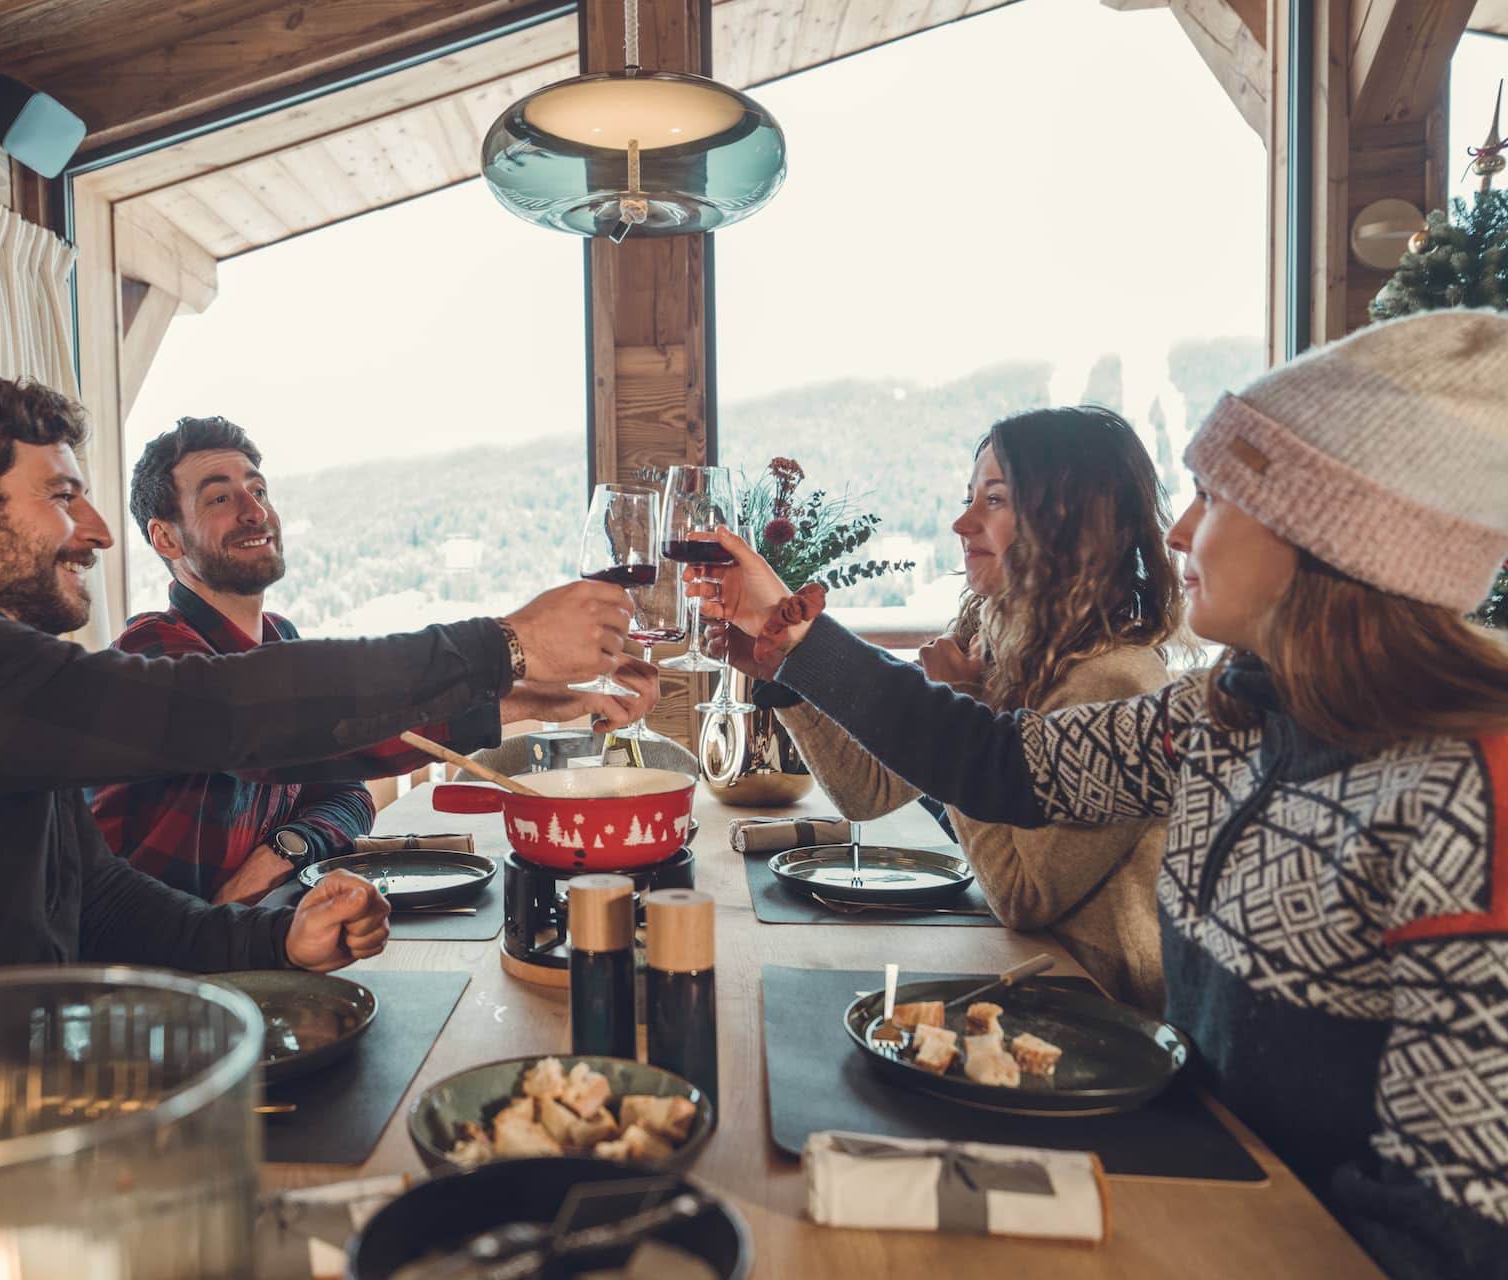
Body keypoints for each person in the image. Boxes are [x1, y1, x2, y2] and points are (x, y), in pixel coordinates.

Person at [692, 310, 1508, 1277]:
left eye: (1218, 495)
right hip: (1188, 1181)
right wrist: (793, 638)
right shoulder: (1219, 713)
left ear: (1333, 539)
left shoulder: (1467, 796)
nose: (1178, 527)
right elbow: (997, 760)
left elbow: (1458, 1233)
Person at [0, 370, 654, 1034]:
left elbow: (103, 908)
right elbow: (215, 716)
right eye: (62, 496)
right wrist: (504, 643)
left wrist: (278, 934)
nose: (96, 530)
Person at [92, 416, 651, 905]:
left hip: (245, 944)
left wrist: (283, 851)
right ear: (165, 538)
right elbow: (269, 734)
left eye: (258, 489)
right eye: (219, 497)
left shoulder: (278, 639)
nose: (253, 510)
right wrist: (511, 648)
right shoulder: (156, 650)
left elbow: (346, 788)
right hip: (143, 982)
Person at [756, 407, 1179, 1009]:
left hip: (1097, 1012)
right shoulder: (1000, 641)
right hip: (1020, 974)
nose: (962, 522)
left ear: (1071, 522)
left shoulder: (1115, 681)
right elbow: (866, 792)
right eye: (969, 499)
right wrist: (785, 678)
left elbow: (1021, 894)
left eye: (995, 501)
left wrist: (959, 702)